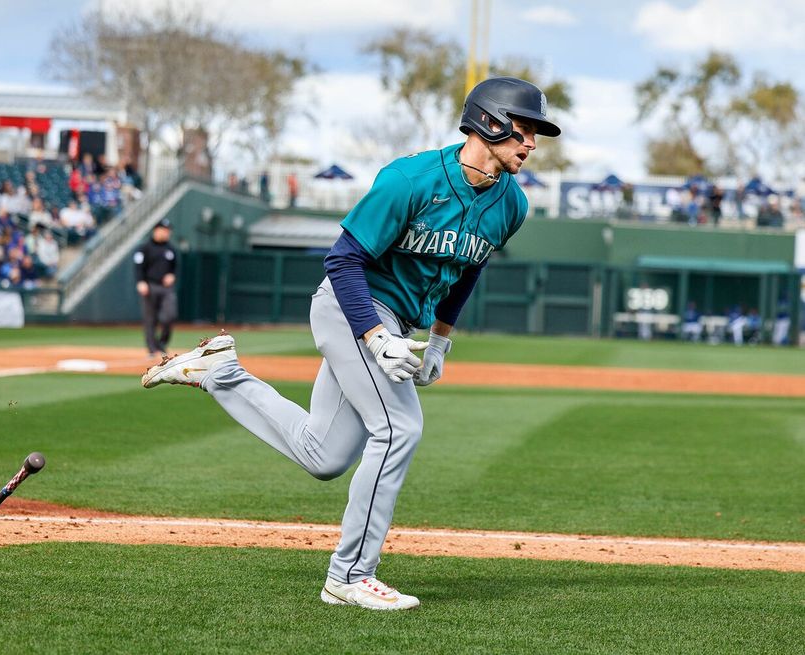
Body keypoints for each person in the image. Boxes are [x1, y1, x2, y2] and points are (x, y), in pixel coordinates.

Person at [140, 77, 560, 611]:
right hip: (350, 307)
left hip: (397, 323)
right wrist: (375, 335)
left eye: (535, 135)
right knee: (399, 428)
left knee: (325, 454)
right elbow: (341, 261)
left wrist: (438, 342)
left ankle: (221, 372)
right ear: (489, 122)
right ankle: (350, 576)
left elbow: (467, 270)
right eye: (523, 131)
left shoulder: (512, 205)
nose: (530, 144)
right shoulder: (410, 179)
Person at [133, 218, 178, 359]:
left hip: (166, 288)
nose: (166, 233)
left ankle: (162, 343)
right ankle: (152, 349)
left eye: (168, 231)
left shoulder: (171, 249)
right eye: (164, 230)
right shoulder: (144, 248)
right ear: (156, 230)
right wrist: (140, 282)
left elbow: (176, 268)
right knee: (150, 319)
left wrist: (172, 275)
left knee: (169, 315)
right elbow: (138, 267)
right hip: (150, 286)